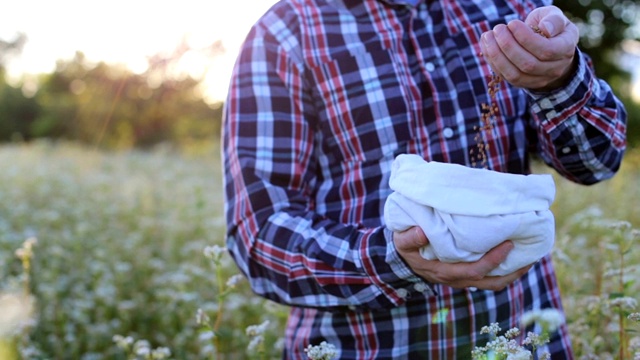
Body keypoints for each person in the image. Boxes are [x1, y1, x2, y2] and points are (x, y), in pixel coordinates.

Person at [222, 0, 627, 358]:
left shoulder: (513, 10)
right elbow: (258, 234)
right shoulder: (285, 33)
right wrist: (391, 260)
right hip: (363, 346)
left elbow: (598, 162)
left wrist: (560, 81)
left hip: (520, 340)